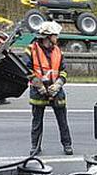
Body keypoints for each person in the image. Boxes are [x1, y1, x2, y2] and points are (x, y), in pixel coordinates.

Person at [24, 21, 72, 156]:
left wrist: (58, 85)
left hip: (55, 91)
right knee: (37, 122)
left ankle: (67, 144)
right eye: (55, 35)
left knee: (63, 121)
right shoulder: (31, 50)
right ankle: (35, 146)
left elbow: (63, 71)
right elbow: (26, 69)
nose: (57, 38)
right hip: (38, 91)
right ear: (47, 36)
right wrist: (38, 85)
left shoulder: (58, 51)